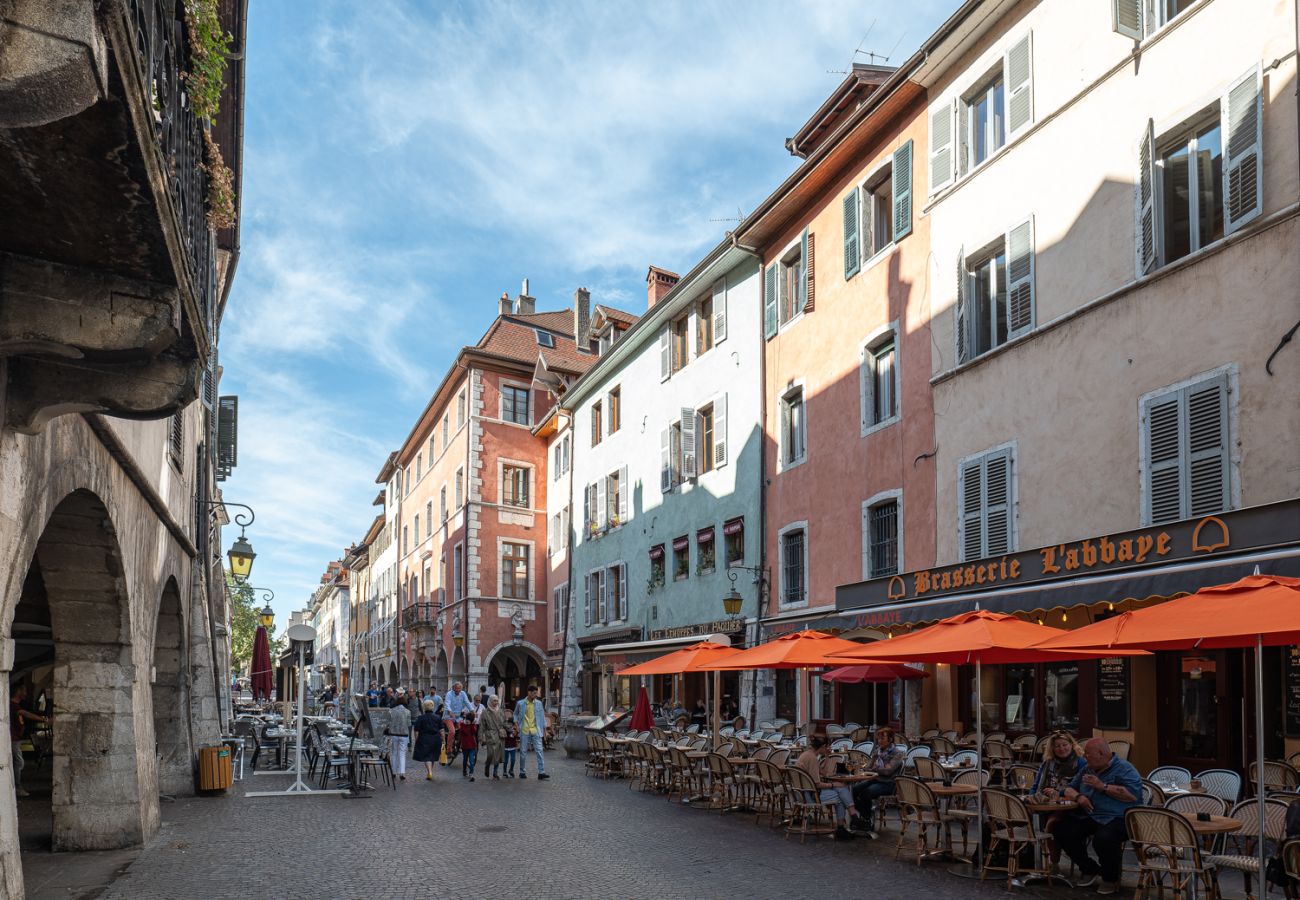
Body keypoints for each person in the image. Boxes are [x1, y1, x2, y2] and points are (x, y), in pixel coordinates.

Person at [1053, 737, 1141, 894]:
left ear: (1101, 753)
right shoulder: (1088, 768)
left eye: (1088, 753)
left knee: (1104, 838)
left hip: (1120, 817)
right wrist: (1079, 797)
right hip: (1092, 815)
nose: (1084, 756)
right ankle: (1090, 869)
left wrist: (1103, 787)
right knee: (1061, 829)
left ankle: (1110, 879)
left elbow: (1133, 796)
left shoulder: (1125, 768)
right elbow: (1068, 789)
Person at [1035, 731, 1088, 873]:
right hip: (1046, 804)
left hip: (1071, 807)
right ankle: (1032, 860)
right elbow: (1036, 786)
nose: (1061, 748)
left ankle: (1054, 862)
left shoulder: (1081, 762)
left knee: (1052, 822)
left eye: (1065, 745)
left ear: (1072, 745)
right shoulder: (1048, 763)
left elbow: (1082, 789)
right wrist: (1033, 797)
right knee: (1030, 818)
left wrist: (1059, 795)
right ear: (1052, 748)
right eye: (1057, 746)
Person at [794, 736, 858, 840]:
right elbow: (817, 784)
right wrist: (833, 785)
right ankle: (844, 825)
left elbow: (824, 772)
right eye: (827, 747)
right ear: (823, 746)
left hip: (801, 793)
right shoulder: (812, 758)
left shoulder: (806, 755)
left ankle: (851, 817)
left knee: (840, 788)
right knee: (841, 794)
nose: (828, 748)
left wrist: (827, 757)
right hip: (810, 796)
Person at [851, 726, 905, 839]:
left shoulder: (897, 753)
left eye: (882, 738)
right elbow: (868, 767)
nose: (879, 741)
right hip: (874, 779)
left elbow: (888, 771)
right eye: (878, 738)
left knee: (866, 792)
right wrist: (871, 767)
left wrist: (875, 769)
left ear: (890, 739)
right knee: (853, 790)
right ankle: (867, 815)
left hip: (888, 783)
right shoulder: (878, 751)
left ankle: (865, 819)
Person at [9, 684, 46, 798]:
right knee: (18, 762)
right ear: (18, 691)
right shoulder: (13, 706)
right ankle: (17, 787)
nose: (26, 694)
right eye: (24, 691)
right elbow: (25, 713)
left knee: (16, 762)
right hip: (13, 738)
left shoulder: (15, 705)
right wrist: (43, 719)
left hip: (15, 738)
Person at [514, 684, 549, 780]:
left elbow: (542, 717)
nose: (536, 695)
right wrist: (516, 725)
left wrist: (545, 730)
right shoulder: (520, 703)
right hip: (524, 730)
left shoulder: (539, 703)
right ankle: (522, 772)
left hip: (535, 730)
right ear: (529, 692)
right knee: (523, 752)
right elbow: (515, 714)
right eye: (534, 693)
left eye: (536, 693)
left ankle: (541, 772)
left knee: (539, 751)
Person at [411, 700, 445, 781]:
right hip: (436, 739)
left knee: (427, 756)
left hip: (424, 739)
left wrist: (416, 740)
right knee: (432, 756)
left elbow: (416, 731)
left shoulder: (420, 718)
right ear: (433, 707)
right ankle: (430, 772)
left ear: (424, 707)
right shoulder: (438, 717)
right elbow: (442, 730)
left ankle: (429, 772)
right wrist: (443, 740)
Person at [479, 695, 505, 779]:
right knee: (490, 754)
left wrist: (510, 727)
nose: (496, 703)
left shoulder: (500, 711)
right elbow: (482, 726)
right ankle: (487, 765)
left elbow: (504, 722)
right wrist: (481, 737)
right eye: (494, 701)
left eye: (497, 701)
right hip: (490, 735)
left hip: (499, 735)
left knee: (498, 754)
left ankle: (495, 772)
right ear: (490, 701)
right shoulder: (485, 712)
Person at [386, 696, 412, 782]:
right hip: (404, 734)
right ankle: (402, 773)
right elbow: (409, 724)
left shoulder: (391, 711)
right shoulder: (408, 712)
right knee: (402, 753)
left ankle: (393, 772)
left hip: (393, 733)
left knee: (394, 752)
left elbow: (388, 723)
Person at [458, 710, 478, 781]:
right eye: (467, 719)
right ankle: (464, 771)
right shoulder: (462, 725)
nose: (467, 721)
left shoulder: (473, 725)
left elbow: (474, 732)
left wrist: (472, 724)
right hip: (465, 746)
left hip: (472, 746)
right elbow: (464, 732)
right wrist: (464, 724)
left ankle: (471, 773)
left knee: (472, 761)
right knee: (465, 759)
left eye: (469, 720)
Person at [502, 714, 519, 778]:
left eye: (512, 724)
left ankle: (511, 770)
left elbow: (517, 734)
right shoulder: (505, 729)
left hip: (512, 746)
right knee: (505, 760)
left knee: (513, 759)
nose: (510, 726)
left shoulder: (515, 729)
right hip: (506, 746)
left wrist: (515, 731)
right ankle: (504, 771)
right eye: (509, 724)